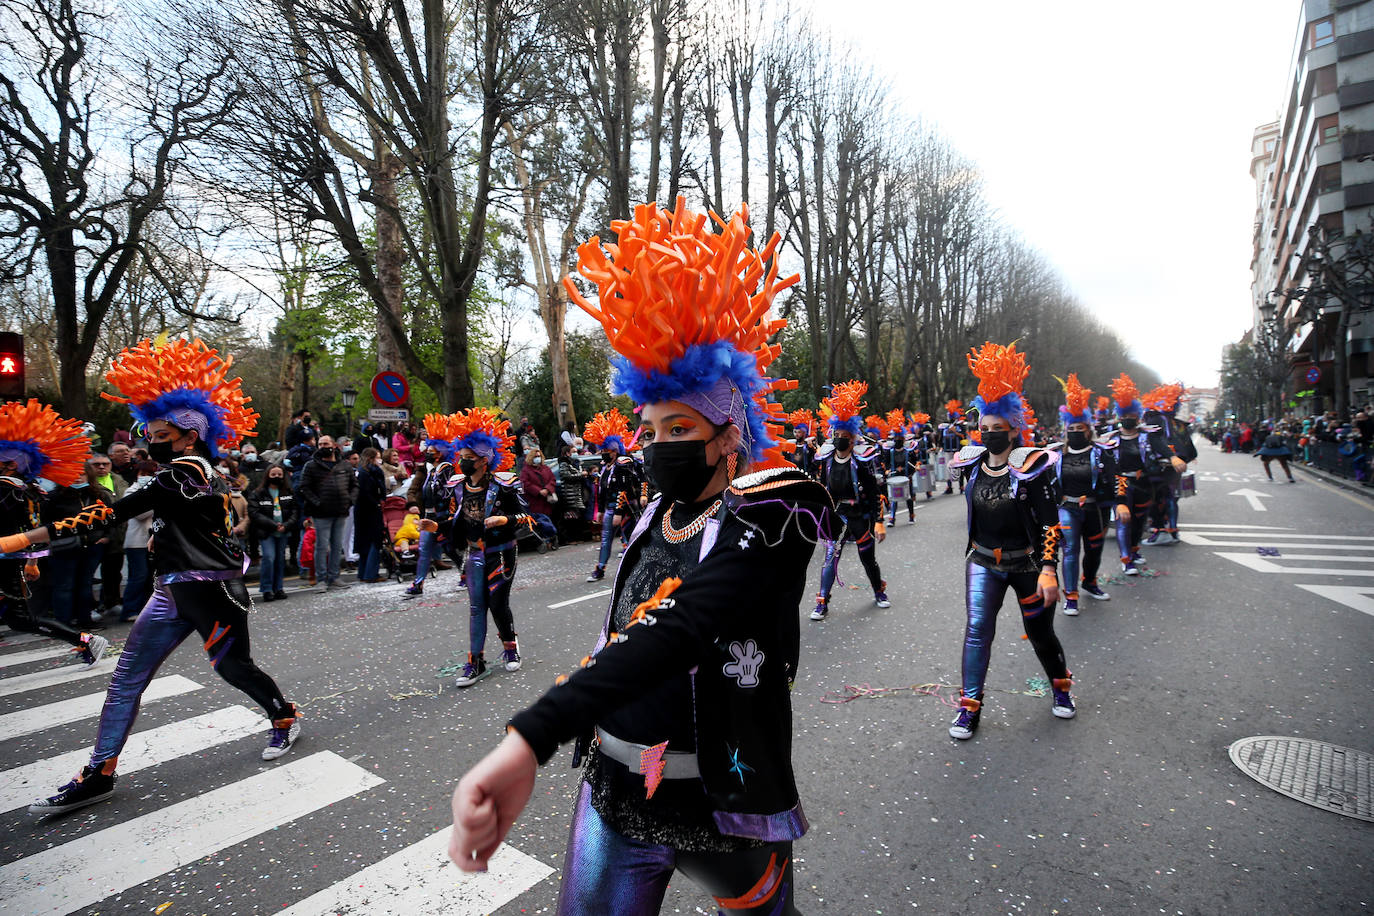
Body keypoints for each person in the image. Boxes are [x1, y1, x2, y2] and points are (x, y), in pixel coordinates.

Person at [449, 199, 828, 914]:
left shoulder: (776, 510)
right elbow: (622, 635)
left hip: (725, 804)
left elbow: (683, 623)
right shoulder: (657, 509)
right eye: (649, 428)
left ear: (728, 430)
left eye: (678, 426)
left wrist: (533, 733)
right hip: (617, 791)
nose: (657, 446)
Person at [13, 337, 301, 815]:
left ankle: (284, 715)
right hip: (171, 590)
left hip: (209, 591)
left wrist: (21, 540)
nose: (149, 441)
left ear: (189, 436)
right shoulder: (194, 475)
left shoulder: (181, 474)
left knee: (233, 668)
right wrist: (164, 537)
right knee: (126, 675)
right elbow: (209, 522)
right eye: (149, 432)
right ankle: (100, 770)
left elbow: (106, 515)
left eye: (161, 435)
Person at [947, 342, 1074, 740]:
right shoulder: (970, 463)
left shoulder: (1031, 468)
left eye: (995, 430)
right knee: (977, 629)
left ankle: (1061, 687)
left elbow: (1051, 524)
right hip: (983, 561)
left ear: (1013, 429)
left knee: (1039, 633)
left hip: (1028, 566)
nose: (987, 435)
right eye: (982, 429)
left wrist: (1050, 570)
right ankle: (969, 707)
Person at [423, 409, 534, 687]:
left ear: (484, 460)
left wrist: (503, 519)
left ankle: (510, 647)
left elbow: (527, 518)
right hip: (474, 553)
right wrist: (435, 527)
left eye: (469, 459)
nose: (462, 462)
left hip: (501, 551)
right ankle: (476, 662)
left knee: (497, 604)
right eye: (462, 457)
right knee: (476, 608)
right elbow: (455, 522)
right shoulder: (457, 487)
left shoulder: (505, 484)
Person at [0, 399, 107, 664]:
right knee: (19, 618)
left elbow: (32, 529)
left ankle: (85, 640)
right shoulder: (27, 490)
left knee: (21, 618)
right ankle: (84, 640)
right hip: (14, 561)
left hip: (8, 561)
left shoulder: (9, 489)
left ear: (11, 464)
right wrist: (33, 561)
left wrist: (31, 561)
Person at [812, 380, 889, 621]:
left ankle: (879, 591)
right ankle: (822, 602)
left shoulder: (863, 461)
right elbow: (823, 489)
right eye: (836, 436)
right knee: (830, 558)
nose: (840, 440)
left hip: (859, 516)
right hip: (836, 515)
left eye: (844, 436)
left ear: (852, 438)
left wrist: (879, 521)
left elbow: (875, 493)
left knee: (868, 558)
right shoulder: (826, 459)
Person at [1054, 375, 1123, 616]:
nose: (1074, 432)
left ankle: (1090, 582)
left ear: (1088, 430)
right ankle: (1070, 596)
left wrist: (1119, 504)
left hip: (1095, 509)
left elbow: (1115, 478)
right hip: (1068, 509)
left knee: (1094, 548)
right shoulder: (1057, 454)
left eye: (1079, 429)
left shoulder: (1101, 452)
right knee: (1070, 550)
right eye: (1070, 429)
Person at [1107, 374, 1169, 576]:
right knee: (1123, 520)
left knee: (1139, 521)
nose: (1128, 420)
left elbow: (1160, 445)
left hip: (1144, 483)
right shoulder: (1112, 439)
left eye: (1132, 417)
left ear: (1138, 417)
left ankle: (1133, 550)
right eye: (1124, 416)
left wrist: (1172, 458)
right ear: (1119, 416)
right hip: (1121, 483)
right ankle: (1126, 559)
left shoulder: (1147, 436)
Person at [584, 409, 646, 583]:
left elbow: (623, 488)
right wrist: (601, 510)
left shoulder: (623, 464)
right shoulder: (605, 468)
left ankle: (635, 568)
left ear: (614, 450)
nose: (604, 452)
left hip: (625, 509)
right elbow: (601, 490)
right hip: (609, 509)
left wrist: (619, 511)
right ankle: (600, 568)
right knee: (606, 541)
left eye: (607, 450)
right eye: (602, 449)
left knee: (631, 539)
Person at [298, 434, 357, 590]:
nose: (323, 447)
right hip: (321, 513)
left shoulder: (344, 465)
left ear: (333, 446)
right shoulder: (311, 466)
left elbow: (354, 485)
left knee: (337, 546)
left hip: (341, 510)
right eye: (320, 444)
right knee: (322, 546)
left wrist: (350, 500)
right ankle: (321, 579)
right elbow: (304, 487)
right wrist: (317, 503)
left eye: (326, 444)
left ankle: (334, 576)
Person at [402, 436, 459, 598]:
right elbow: (422, 491)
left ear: (440, 453)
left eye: (430, 452)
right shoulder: (431, 470)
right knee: (424, 549)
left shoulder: (446, 469)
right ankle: (418, 584)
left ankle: (465, 573)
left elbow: (447, 493)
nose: (426, 454)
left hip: (442, 517)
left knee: (449, 548)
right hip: (428, 515)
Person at [1141, 383, 1196, 544]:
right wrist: (1180, 460)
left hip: (1158, 466)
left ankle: (1160, 532)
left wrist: (1171, 457)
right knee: (1171, 497)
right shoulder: (1178, 424)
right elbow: (1192, 452)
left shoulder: (1153, 418)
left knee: (1155, 497)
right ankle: (1172, 531)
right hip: (1175, 468)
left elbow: (1154, 439)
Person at [248, 463, 298, 601]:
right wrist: (273, 525)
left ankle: (278, 588)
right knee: (269, 558)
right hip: (266, 532)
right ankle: (267, 589)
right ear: (267, 476)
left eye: (279, 475)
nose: (277, 477)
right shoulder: (257, 493)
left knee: (279, 559)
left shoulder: (288, 492)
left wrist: (286, 525)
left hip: (283, 531)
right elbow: (254, 512)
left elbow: (295, 511)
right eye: (274, 474)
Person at [119, 459, 159, 621]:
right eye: (144, 474)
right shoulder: (131, 491)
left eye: (151, 474)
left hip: (155, 540)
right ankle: (129, 610)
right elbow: (139, 514)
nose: (147, 477)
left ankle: (146, 608)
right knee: (138, 576)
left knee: (152, 577)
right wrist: (158, 501)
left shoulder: (159, 490)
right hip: (136, 542)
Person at [353, 447, 387, 582]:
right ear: (371, 458)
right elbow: (365, 493)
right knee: (374, 541)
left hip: (364, 510)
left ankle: (363, 572)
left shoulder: (365, 472)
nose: (379, 460)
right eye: (377, 457)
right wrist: (377, 503)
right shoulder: (366, 474)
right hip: (370, 510)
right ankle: (371, 573)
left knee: (365, 542)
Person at [880, 410, 918, 525]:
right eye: (896, 439)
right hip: (894, 476)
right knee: (894, 497)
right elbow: (886, 463)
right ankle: (892, 519)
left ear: (903, 440)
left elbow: (914, 462)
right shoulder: (889, 452)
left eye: (899, 439)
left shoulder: (908, 451)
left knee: (908, 497)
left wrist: (911, 470)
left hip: (907, 476)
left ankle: (911, 516)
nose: (897, 441)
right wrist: (887, 470)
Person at [519, 446, 560, 546]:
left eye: (539, 456)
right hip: (535, 501)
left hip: (547, 501)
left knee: (548, 519)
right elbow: (525, 483)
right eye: (535, 456)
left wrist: (547, 489)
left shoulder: (546, 468)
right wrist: (538, 491)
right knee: (540, 521)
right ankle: (546, 538)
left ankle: (551, 539)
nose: (538, 458)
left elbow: (552, 480)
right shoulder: (526, 470)